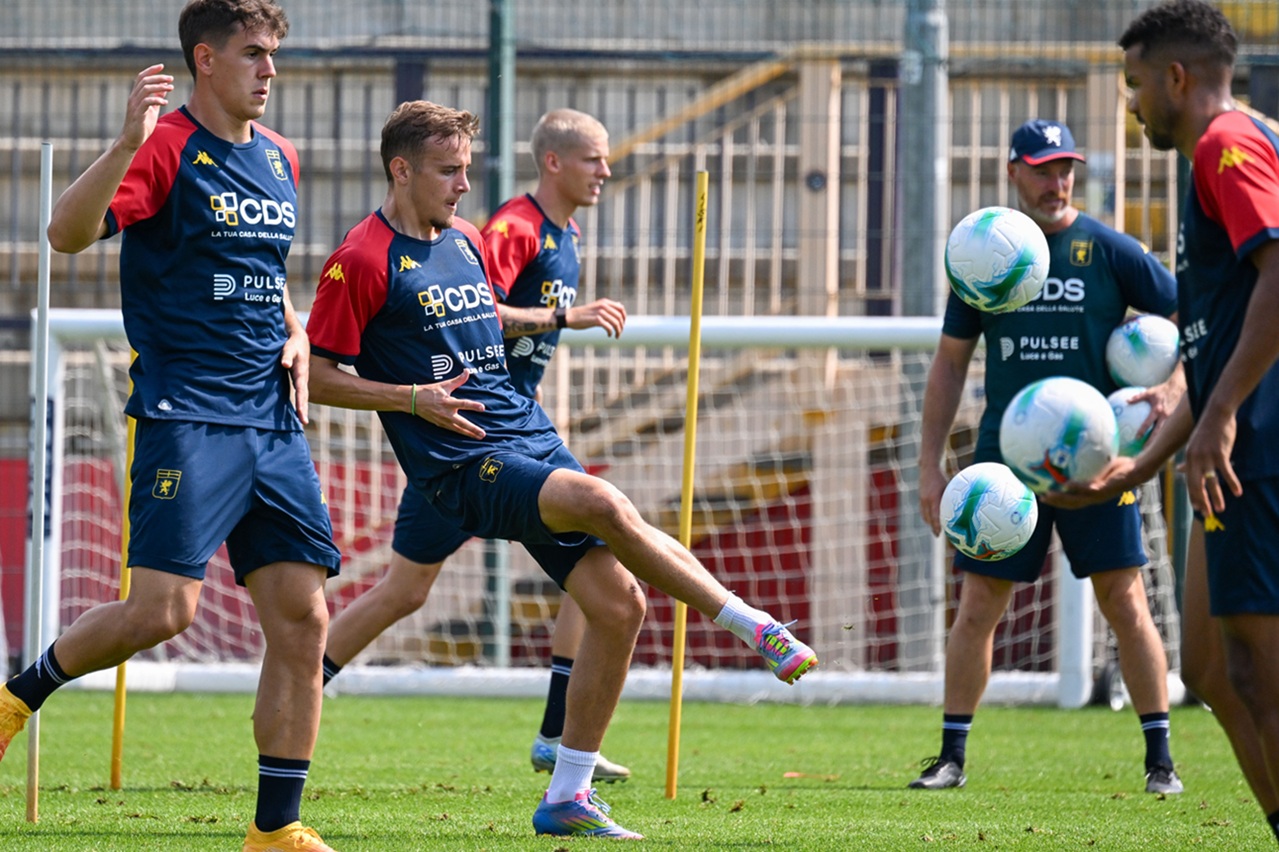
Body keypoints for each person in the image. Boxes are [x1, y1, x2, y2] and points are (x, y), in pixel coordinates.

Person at [305, 100, 817, 839]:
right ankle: (752, 624)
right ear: (401, 169)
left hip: (527, 433)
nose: (461, 185)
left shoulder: (467, 240)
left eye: (466, 170)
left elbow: (490, 315)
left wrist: (552, 321)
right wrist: (409, 398)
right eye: (448, 171)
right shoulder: (359, 259)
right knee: (601, 503)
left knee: (619, 606)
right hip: (461, 462)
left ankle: (567, 794)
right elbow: (317, 377)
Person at [11, 3, 343, 850]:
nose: (269, 71)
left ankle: (276, 829)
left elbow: (264, 275)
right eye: (254, 55)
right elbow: (65, 234)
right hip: (188, 411)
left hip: (272, 419)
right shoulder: (164, 149)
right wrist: (124, 143)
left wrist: (298, 329)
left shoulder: (279, 158)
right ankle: (18, 696)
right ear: (206, 58)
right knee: (163, 612)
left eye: (275, 57)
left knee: (303, 620)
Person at [319, 108, 633, 783]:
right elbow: (483, 313)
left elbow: (482, 319)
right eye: (593, 158)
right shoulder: (509, 230)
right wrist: (558, 318)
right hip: (470, 443)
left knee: (418, 589)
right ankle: (296, 686)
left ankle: (556, 735)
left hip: (508, 431)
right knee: (409, 592)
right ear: (554, 161)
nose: (605, 171)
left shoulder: (560, 233)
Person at [1052, 1, 1279, 840]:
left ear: (1175, 79)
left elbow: (1277, 278)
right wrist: (1138, 466)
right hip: (1231, 441)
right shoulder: (1220, 157)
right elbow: (1214, 343)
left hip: (1258, 443)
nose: (1132, 102)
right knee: (1214, 671)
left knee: (1258, 672)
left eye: (1136, 84)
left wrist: (1218, 418)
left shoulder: (1227, 144)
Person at [911, 118, 1184, 794]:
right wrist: (926, 463)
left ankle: (1160, 762)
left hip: (1095, 458)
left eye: (1065, 167)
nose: (1056, 180)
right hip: (1005, 463)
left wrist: (1170, 384)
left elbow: (1185, 315)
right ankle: (950, 758)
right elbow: (948, 365)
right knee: (977, 604)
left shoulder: (1108, 250)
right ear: (1013, 173)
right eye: (1041, 167)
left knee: (1124, 600)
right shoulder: (983, 256)